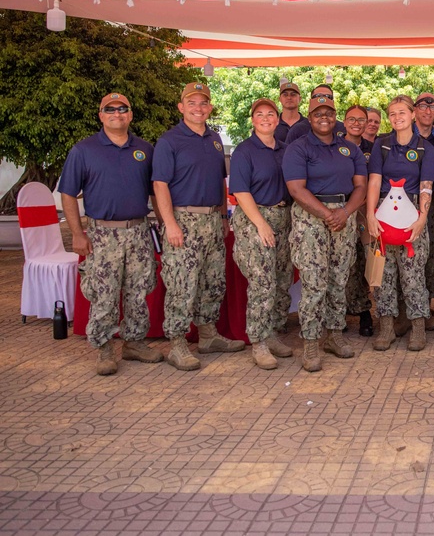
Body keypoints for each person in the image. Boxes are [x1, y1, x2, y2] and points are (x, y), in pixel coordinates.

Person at [59, 93, 160, 375]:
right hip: (103, 234)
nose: (117, 113)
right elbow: (68, 193)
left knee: (139, 289)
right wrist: (77, 233)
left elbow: (156, 191)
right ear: (101, 115)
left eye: (123, 109)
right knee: (104, 292)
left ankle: (134, 342)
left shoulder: (144, 149)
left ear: (130, 114)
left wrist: (165, 224)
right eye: (110, 109)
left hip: (139, 230)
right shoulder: (84, 150)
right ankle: (104, 348)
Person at [153, 82, 244, 371]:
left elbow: (220, 181)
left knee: (212, 281)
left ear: (210, 107)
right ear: (181, 107)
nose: (198, 108)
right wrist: (170, 224)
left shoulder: (214, 139)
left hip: (212, 220)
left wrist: (223, 217)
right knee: (181, 284)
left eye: (203, 103)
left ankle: (207, 335)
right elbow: (160, 185)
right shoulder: (169, 141)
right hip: (183, 220)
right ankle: (177, 344)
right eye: (191, 103)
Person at [282, 95, 368, 371]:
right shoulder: (298, 148)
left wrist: (345, 212)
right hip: (311, 219)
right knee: (314, 281)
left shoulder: (349, 149)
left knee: (339, 279)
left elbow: (361, 186)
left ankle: (334, 335)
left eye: (329, 113)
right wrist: (327, 214)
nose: (324, 118)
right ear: (309, 118)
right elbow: (296, 189)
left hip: (344, 216)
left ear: (335, 116)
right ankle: (310, 342)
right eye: (318, 113)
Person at [367, 95, 434, 351]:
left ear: (413, 114)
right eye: (393, 114)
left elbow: (426, 186)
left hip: (413, 212)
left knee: (413, 274)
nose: (397, 118)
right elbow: (375, 181)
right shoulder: (382, 145)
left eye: (402, 113)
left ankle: (417, 327)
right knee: (383, 274)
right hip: (384, 212)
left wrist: (422, 219)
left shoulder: (424, 147)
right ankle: (386, 328)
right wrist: (370, 214)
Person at [229, 98, 294, 370]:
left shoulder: (285, 149)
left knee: (281, 279)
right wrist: (261, 223)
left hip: (284, 218)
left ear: (277, 119)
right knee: (262, 282)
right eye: (259, 114)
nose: (265, 118)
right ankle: (258, 342)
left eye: (270, 114)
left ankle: (272, 333)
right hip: (256, 220)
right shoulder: (244, 151)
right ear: (253, 120)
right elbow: (240, 191)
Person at [342, 104, 375, 336]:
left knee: (365, 261)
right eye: (351, 119)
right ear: (344, 122)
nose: (356, 123)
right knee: (342, 262)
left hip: (364, 211)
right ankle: (339, 312)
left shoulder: (373, 149)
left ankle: (364, 311)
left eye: (361, 120)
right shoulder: (334, 146)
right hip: (340, 210)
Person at [413, 93, 434, 321]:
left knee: (431, 254)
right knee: (407, 253)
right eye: (422, 105)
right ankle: (406, 306)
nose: (427, 110)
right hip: (407, 203)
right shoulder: (402, 136)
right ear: (414, 110)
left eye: (432, 106)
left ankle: (426, 304)